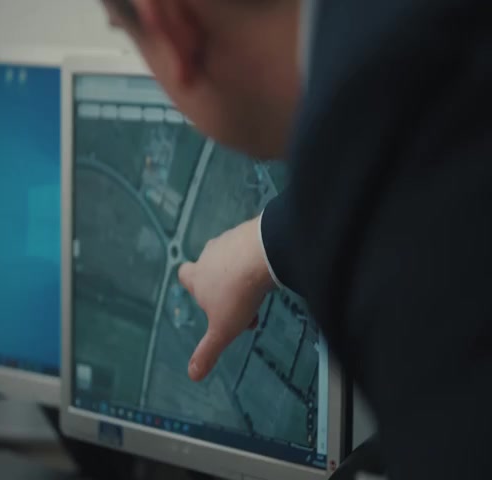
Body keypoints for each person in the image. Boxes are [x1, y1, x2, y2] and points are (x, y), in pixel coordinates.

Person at [100, 0, 492, 479]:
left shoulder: (394, 165)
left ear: (172, 27)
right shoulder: (411, 51)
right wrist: (263, 246)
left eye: (126, 34)